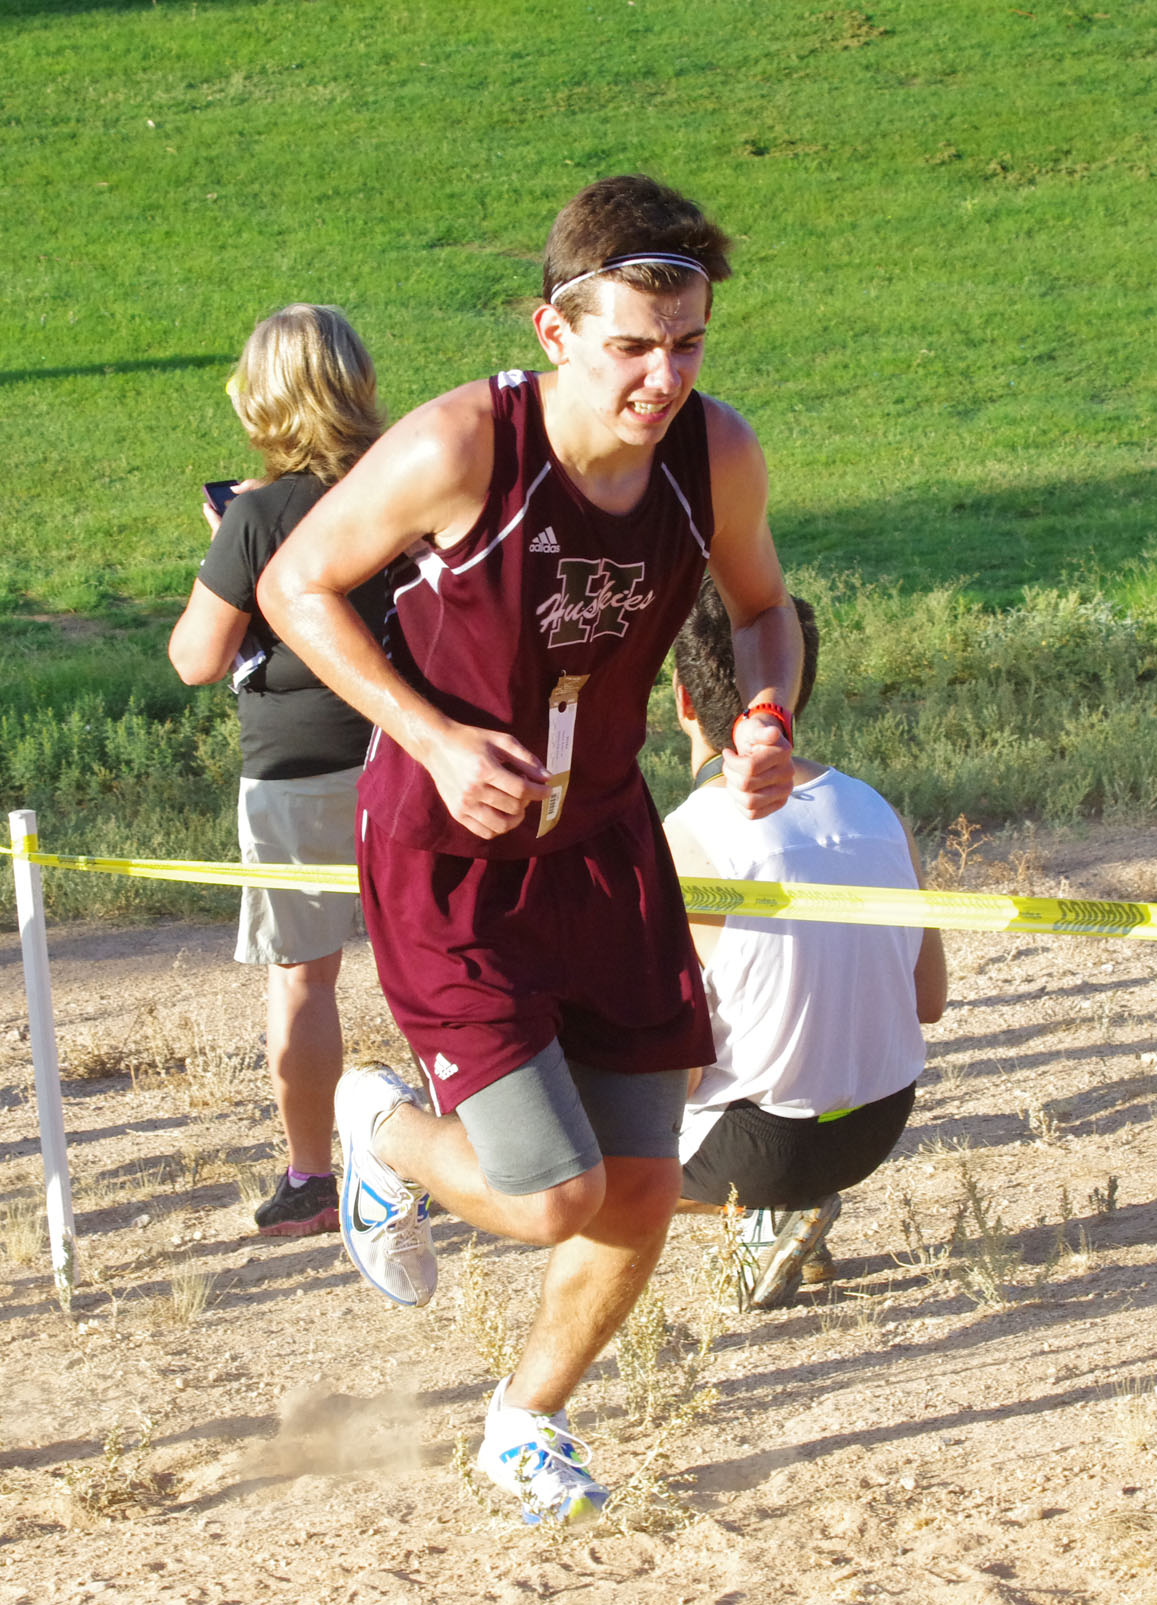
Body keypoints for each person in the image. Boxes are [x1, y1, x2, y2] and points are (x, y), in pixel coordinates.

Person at [257, 175, 805, 1523]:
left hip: (603, 842)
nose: (663, 379)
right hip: (447, 859)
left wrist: (767, 715)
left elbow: (763, 609)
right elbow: (292, 585)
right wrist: (433, 736)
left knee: (644, 1187)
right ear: (556, 332)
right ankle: (381, 1131)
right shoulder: (463, 447)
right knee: (558, 1193)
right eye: (632, 347)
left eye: (688, 346)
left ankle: (523, 1426)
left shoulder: (714, 457)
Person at [665, 577, 948, 1308]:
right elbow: (929, 1001)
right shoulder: (879, 809)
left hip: (761, 1147)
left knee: (587, 1168)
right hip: (878, 1126)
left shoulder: (684, 837)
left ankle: (765, 1210)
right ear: (795, 692)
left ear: (683, 701)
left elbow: (675, 1067)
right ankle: (786, 1211)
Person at [168, 304, 389, 1239]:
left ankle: (311, 1179)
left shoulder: (256, 516)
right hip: (410, 759)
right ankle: (475, 1149)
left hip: (296, 773)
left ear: (262, 399)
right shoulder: (404, 486)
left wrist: (229, 540)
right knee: (437, 968)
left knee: (304, 981)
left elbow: (195, 658)